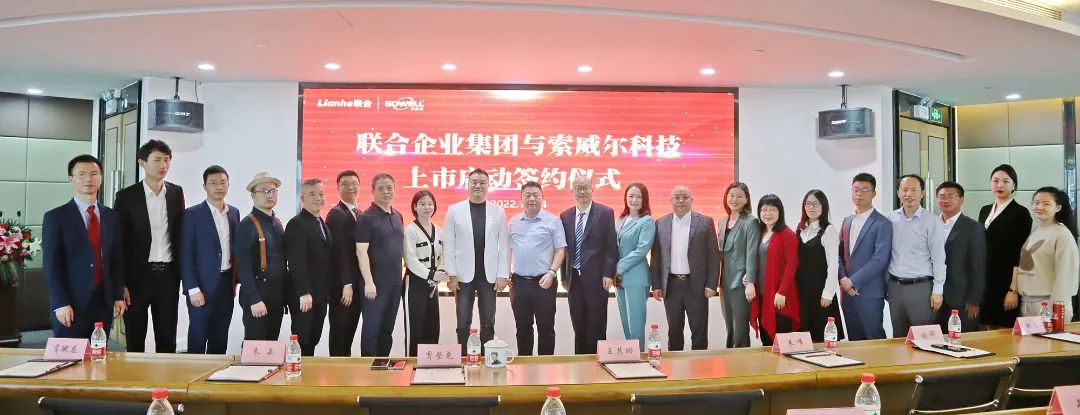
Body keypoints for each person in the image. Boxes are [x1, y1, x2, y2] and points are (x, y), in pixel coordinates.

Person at [44, 155, 127, 338]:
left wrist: (118, 295)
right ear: (71, 179)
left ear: (101, 178)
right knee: (71, 353)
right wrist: (60, 302)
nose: (88, 179)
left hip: (103, 300)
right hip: (71, 303)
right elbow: (51, 266)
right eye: (81, 174)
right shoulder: (56, 217)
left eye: (94, 174)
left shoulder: (111, 217)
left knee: (99, 352)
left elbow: (116, 260)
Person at [113, 139, 184, 353]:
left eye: (167, 160)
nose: (163, 165)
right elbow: (118, 243)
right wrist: (121, 283)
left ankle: (168, 374)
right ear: (142, 163)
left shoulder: (176, 193)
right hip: (137, 278)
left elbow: (179, 234)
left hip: (168, 276)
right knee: (135, 337)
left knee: (167, 336)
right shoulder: (126, 196)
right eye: (157, 160)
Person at [443, 169, 510, 354]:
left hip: (489, 276)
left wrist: (503, 274)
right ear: (468, 184)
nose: (478, 186)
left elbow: (505, 245)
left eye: (482, 182)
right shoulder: (454, 210)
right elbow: (448, 244)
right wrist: (451, 274)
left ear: (488, 186)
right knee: (463, 322)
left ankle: (487, 359)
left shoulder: (498, 211)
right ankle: (465, 359)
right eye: (474, 182)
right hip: (462, 276)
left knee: (488, 322)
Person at [649, 186, 720, 351]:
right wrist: (656, 285)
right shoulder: (661, 223)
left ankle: (700, 365)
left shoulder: (705, 222)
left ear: (692, 200)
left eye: (685, 197)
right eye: (676, 197)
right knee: (674, 331)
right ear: (670, 201)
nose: (681, 201)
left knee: (699, 330)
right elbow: (656, 257)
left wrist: (712, 284)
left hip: (696, 285)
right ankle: (675, 365)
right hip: (671, 285)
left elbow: (713, 255)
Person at [180, 165, 239, 354]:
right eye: (213, 183)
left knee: (220, 337)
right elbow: (185, 254)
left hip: (226, 284)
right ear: (204, 186)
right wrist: (192, 288)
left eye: (222, 182)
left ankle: (217, 373)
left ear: (228, 184)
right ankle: (193, 372)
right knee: (198, 336)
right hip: (201, 286)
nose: (219, 187)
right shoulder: (192, 214)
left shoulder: (234, 213)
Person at [561, 176, 619, 354]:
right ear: (572, 192)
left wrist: (608, 273)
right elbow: (564, 249)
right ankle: (580, 364)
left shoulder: (605, 213)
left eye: (585, 187)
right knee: (578, 325)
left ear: (592, 189)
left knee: (596, 325)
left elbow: (611, 246)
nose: (582, 191)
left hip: (597, 280)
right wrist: (564, 277)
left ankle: (597, 363)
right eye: (578, 188)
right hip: (573, 280)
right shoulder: (565, 216)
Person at [509, 182, 566, 356]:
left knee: (546, 328)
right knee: (522, 328)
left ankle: (546, 367)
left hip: (545, 281)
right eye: (527, 195)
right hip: (519, 283)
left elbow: (560, 250)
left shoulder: (553, 221)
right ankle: (525, 367)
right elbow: (507, 250)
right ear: (521, 198)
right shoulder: (513, 222)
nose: (532, 198)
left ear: (542, 198)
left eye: (536, 195)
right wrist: (505, 274)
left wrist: (552, 273)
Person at [886, 174, 947, 338]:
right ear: (898, 193)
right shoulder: (890, 219)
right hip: (895, 287)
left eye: (914, 190)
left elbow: (939, 259)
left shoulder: (932, 221)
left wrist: (938, 290)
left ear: (922, 193)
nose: (909, 194)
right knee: (898, 337)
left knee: (923, 337)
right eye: (904, 190)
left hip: (921, 288)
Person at [354, 173, 405, 357]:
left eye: (389, 188)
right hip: (374, 285)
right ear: (373, 191)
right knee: (372, 329)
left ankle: (382, 365)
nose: (386, 192)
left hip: (395, 284)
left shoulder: (398, 216)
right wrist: (368, 282)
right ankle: (367, 368)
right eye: (381, 188)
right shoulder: (366, 218)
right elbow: (361, 252)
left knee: (387, 329)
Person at [1010, 187, 1079, 322]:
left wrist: (1055, 309)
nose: (1039, 207)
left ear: (1058, 208)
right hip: (1028, 302)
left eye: (1046, 204)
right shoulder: (1037, 231)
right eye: (1036, 203)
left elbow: (1065, 276)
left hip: (1048, 305)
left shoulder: (1062, 235)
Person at [234, 172, 288, 341]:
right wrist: (254, 298)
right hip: (258, 294)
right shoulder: (247, 225)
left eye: (273, 191)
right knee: (255, 347)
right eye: (264, 191)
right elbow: (243, 266)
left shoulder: (277, 222)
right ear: (253, 195)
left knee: (271, 347)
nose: (269, 195)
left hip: (277, 296)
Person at [839, 173, 892, 341]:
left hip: (870, 292)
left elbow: (880, 259)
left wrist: (853, 281)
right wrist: (843, 279)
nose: (859, 194)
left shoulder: (882, 223)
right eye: (856, 190)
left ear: (874, 193)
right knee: (854, 341)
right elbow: (839, 255)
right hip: (847, 293)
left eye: (864, 190)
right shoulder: (847, 221)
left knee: (874, 338)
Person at [285, 178, 334, 356]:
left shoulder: (321, 222)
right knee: (302, 340)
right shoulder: (297, 223)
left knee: (313, 339)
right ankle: (297, 371)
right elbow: (296, 262)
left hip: (320, 295)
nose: (318, 198)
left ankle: (306, 372)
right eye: (312, 194)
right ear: (302, 198)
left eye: (321, 194)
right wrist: (304, 292)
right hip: (305, 296)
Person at [978, 164, 1031, 329]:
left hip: (1007, 281)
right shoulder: (985, 210)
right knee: (987, 328)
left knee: (1005, 330)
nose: (999, 185)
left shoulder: (1021, 213)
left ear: (1014, 185)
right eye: (995, 181)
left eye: (1005, 181)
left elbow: (1019, 254)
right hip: (986, 279)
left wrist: (1013, 289)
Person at [934, 181, 986, 333]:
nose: (946, 200)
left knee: (962, 340)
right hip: (934, 297)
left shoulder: (973, 228)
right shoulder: (931, 224)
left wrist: (974, 299)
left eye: (951, 196)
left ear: (961, 200)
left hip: (961, 299)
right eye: (942, 196)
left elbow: (978, 266)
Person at [750, 195, 800, 346]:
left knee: (782, 342)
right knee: (766, 342)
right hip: (762, 295)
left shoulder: (787, 235)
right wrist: (749, 276)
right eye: (764, 210)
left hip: (780, 296)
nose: (768, 213)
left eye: (772, 209)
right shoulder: (759, 233)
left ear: (780, 212)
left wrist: (782, 292)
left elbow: (792, 266)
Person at [795, 190, 843, 342]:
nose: (811, 207)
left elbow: (833, 264)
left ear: (823, 207)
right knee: (804, 339)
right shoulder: (800, 229)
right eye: (808, 204)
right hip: (802, 291)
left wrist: (828, 293)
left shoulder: (829, 230)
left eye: (816, 204)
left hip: (820, 291)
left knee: (822, 339)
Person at [403, 190, 446, 357]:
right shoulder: (411, 230)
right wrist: (430, 274)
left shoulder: (439, 230)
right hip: (415, 283)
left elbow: (443, 255)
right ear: (415, 206)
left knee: (432, 325)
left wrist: (440, 271)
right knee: (416, 327)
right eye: (422, 204)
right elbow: (410, 259)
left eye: (430, 204)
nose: (427, 207)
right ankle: (413, 364)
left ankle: (430, 363)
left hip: (432, 285)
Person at [716, 182, 759, 348]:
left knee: (740, 329)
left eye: (740, 196)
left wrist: (751, 282)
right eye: (731, 195)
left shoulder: (751, 222)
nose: (734, 199)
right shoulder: (722, 221)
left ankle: (741, 360)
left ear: (746, 199)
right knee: (730, 327)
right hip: (724, 282)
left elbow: (752, 253)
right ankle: (730, 359)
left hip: (741, 282)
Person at [325, 170, 362, 356]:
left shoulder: (360, 213)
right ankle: (336, 370)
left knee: (349, 332)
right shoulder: (335, 214)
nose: (350, 187)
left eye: (354, 183)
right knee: (339, 332)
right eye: (345, 184)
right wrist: (347, 283)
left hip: (357, 284)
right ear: (338, 188)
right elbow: (339, 253)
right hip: (343, 286)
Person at [615, 183, 656, 351]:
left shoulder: (647, 221)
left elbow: (641, 250)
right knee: (626, 323)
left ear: (644, 199)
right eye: (631, 196)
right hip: (619, 280)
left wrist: (617, 267)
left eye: (639, 197)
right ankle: (630, 357)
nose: (634, 200)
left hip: (636, 278)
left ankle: (639, 359)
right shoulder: (620, 220)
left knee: (636, 324)